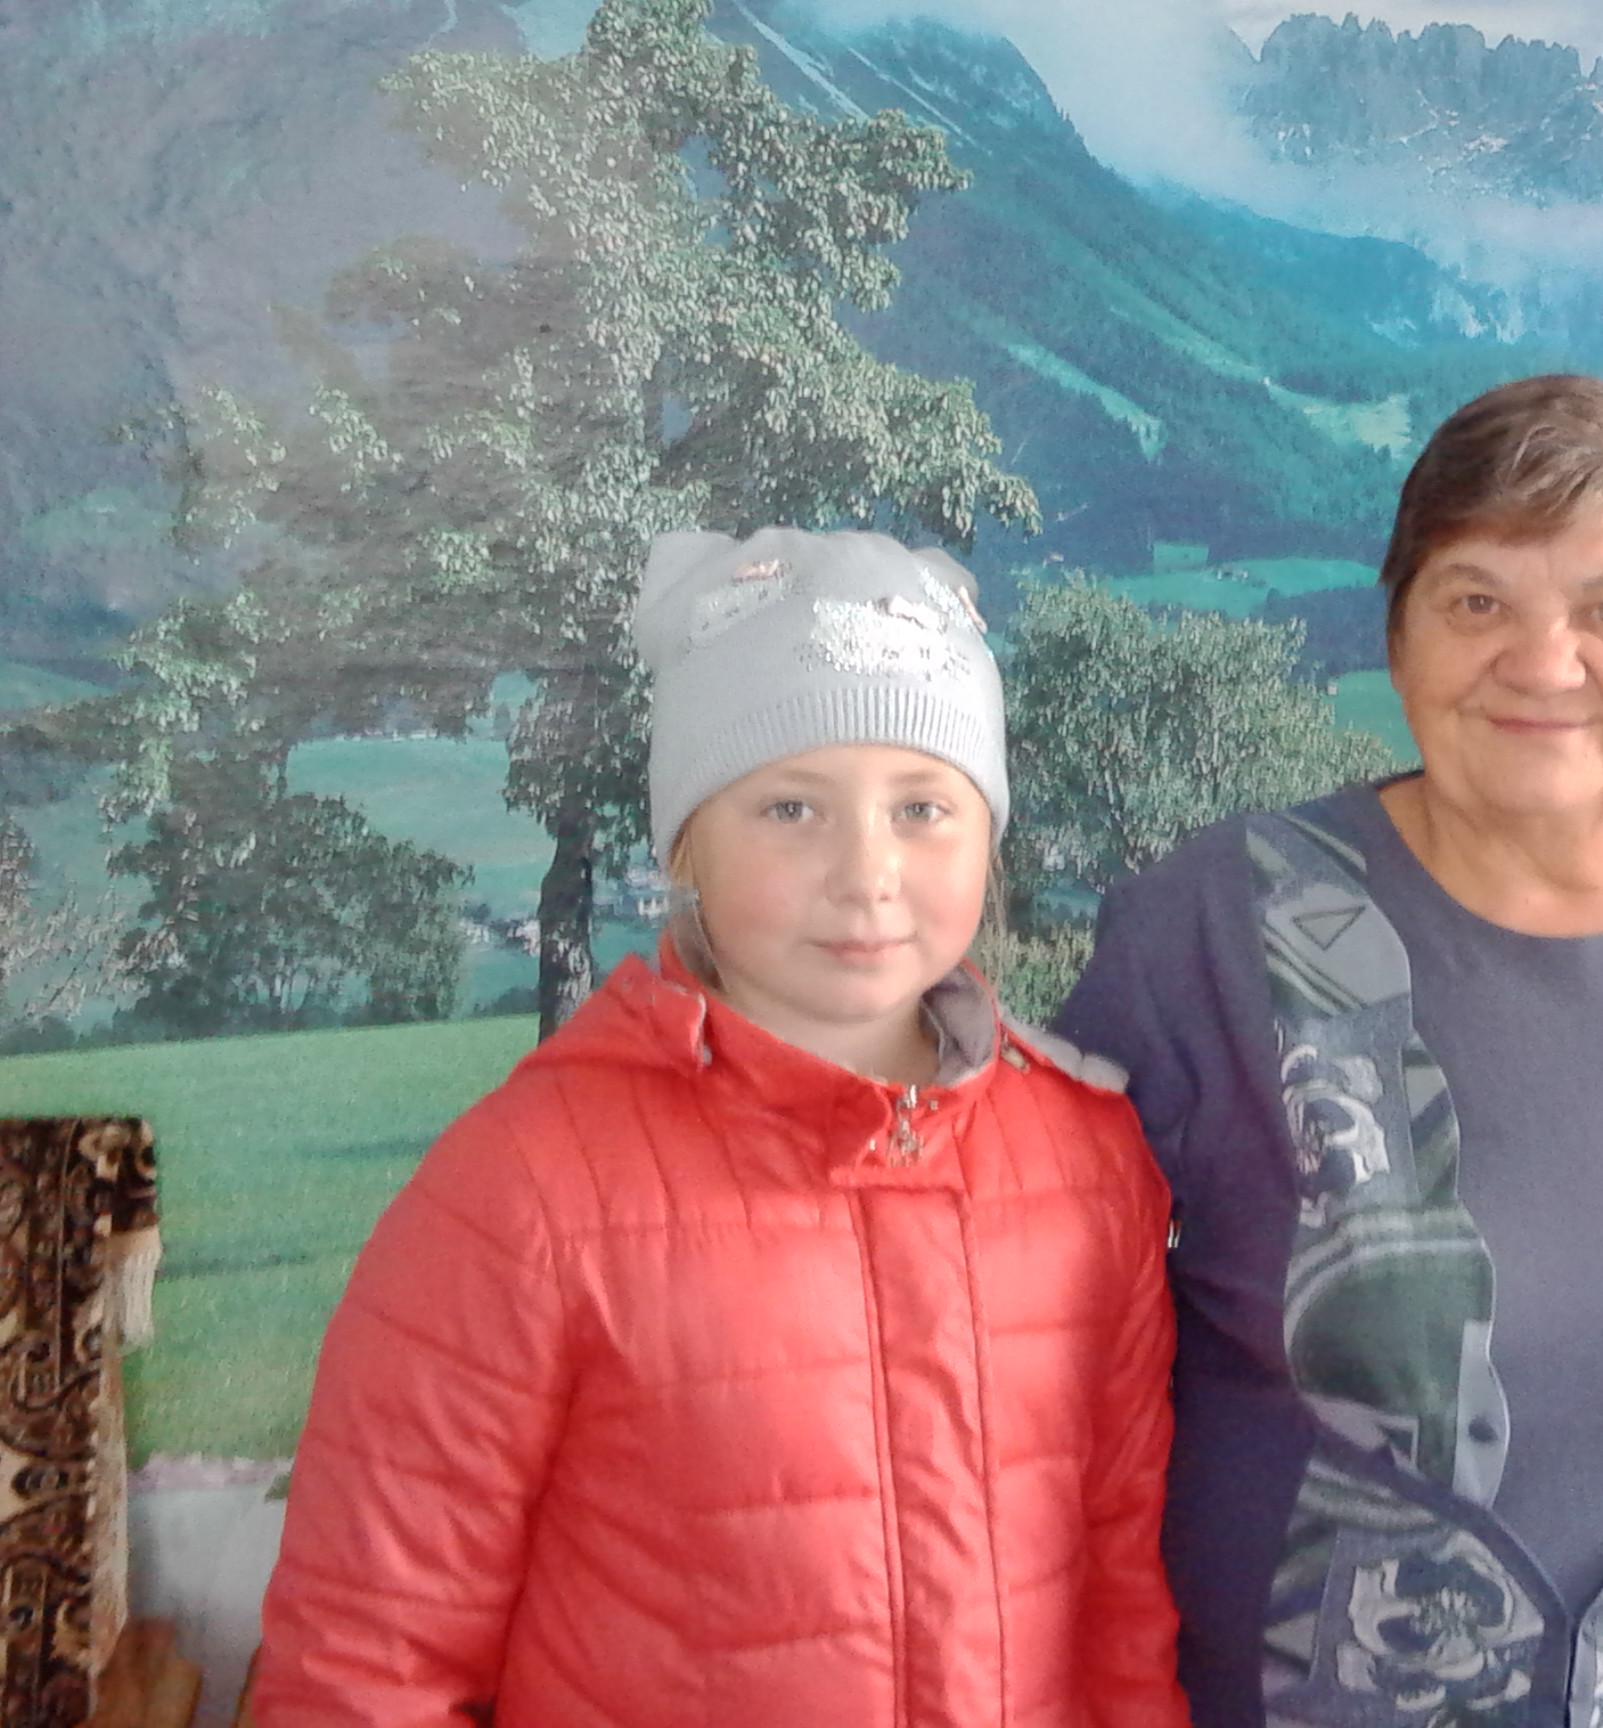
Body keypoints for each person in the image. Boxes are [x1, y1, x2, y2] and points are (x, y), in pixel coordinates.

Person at [1056, 375, 1603, 1728]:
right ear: (1396, 638)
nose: (1542, 661)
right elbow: (1013, 1339)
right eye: (1475, 601)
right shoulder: (1205, 931)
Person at [251, 529, 1185, 1727]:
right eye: (790, 808)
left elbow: (1122, 1598)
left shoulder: (1087, 1162)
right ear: (686, 841)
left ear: (988, 836)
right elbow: (368, 1663)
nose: (867, 873)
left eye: (922, 808)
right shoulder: (526, 1188)